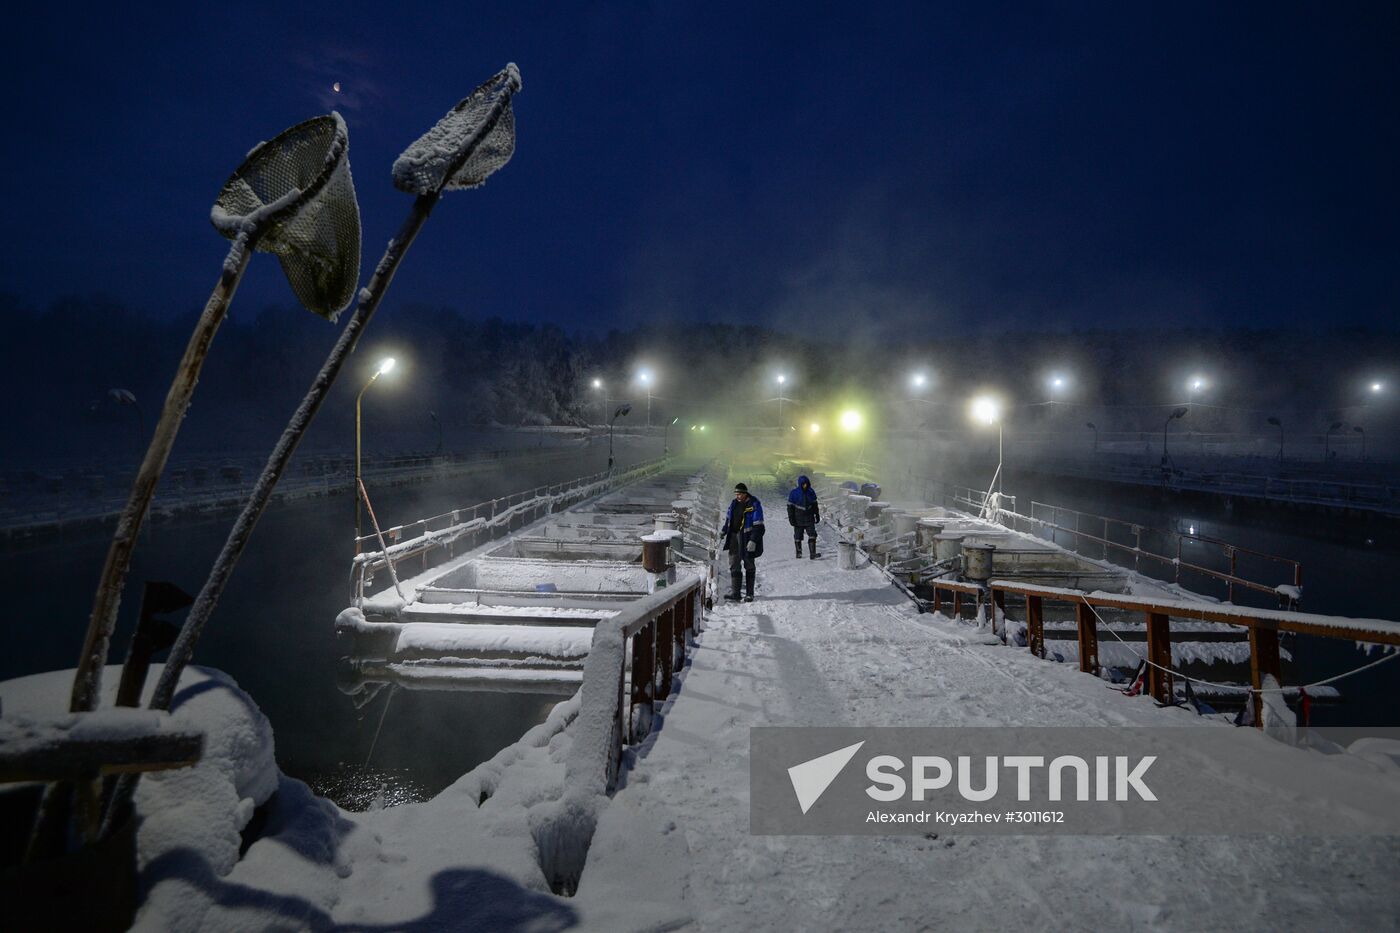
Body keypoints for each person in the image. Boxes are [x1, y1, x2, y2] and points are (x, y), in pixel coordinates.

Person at [720, 482, 764, 601]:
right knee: (734, 564)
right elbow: (729, 519)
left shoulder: (754, 504)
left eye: (740, 494)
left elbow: (759, 525)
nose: (737, 496)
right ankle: (736, 593)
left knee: (749, 565)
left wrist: (753, 540)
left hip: (747, 539)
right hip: (734, 538)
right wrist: (724, 530)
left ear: (745, 494)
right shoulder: (734, 504)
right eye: (736, 494)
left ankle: (750, 594)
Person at [786, 474, 821, 559]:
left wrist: (817, 514)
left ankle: (812, 553)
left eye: (806, 483)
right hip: (798, 518)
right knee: (798, 535)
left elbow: (814, 505)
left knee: (812, 534)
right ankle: (799, 553)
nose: (805, 485)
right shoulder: (794, 493)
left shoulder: (811, 492)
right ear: (800, 484)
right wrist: (791, 518)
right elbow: (790, 507)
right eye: (803, 484)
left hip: (809, 517)